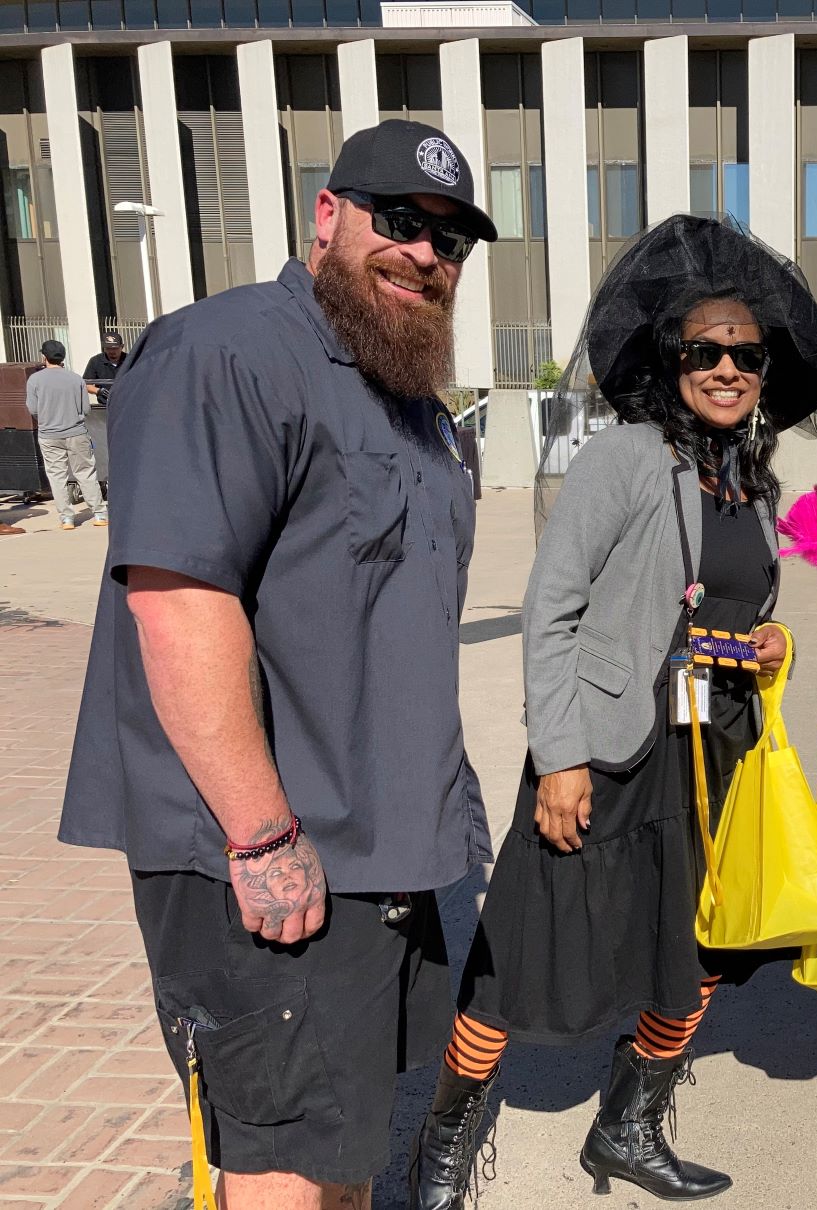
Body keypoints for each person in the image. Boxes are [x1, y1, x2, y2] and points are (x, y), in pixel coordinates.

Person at [57, 118, 498, 1210]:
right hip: (266, 857)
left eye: (452, 241)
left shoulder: (410, 400)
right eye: (400, 223)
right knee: (279, 1169)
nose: (425, 255)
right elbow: (178, 597)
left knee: (340, 1147)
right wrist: (263, 836)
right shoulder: (231, 352)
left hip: (378, 851)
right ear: (327, 216)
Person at [407, 213, 817, 1210]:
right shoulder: (626, 459)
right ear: (671, 359)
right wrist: (558, 755)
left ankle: (630, 1120)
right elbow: (551, 610)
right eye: (708, 350)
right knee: (518, 956)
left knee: (693, 950)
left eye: (746, 352)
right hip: (607, 752)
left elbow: (739, 608)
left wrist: (768, 645)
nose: (730, 367)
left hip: (715, 755)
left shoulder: (749, 478)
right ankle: (443, 1135)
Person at [26, 339, 106, 530]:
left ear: (44, 357)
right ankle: (99, 513)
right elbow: (85, 409)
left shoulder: (34, 380)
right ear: (63, 357)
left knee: (57, 476)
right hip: (76, 431)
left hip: (48, 434)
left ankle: (67, 518)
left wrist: (46, 419)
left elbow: (32, 409)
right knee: (86, 472)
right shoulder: (76, 379)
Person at [83, 330, 127, 404]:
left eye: (115, 348)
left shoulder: (130, 360)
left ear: (122, 347)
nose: (111, 351)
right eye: (108, 348)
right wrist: (99, 391)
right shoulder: (95, 361)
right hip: (105, 405)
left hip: (127, 404)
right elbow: (86, 384)